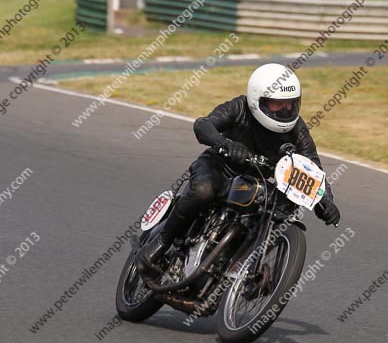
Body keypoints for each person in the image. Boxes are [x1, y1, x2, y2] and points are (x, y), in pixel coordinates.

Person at [135, 64, 341, 276]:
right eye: (277, 104)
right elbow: (204, 124)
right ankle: (160, 242)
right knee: (203, 190)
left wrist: (325, 201)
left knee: (278, 208)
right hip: (219, 167)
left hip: (254, 181)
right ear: (256, 99)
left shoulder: (298, 130)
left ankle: (235, 265)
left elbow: (313, 168)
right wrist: (223, 143)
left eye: (290, 103)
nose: (285, 109)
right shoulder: (240, 107)